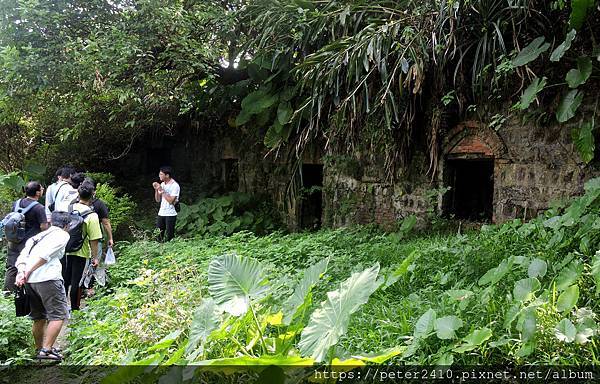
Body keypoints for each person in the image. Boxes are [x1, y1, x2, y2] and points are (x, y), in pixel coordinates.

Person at [14, 211, 71, 361]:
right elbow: (45, 256)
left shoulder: (36, 237)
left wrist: (22, 273)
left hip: (31, 282)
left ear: (51, 222)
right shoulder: (62, 235)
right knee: (58, 315)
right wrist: (27, 272)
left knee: (38, 317)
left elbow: (22, 257)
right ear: (66, 225)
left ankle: (40, 349)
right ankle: (46, 350)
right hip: (48, 279)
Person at [62, 182, 102, 311]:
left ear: (78, 194)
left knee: (64, 279)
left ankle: (61, 307)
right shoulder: (92, 216)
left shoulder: (69, 208)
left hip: (65, 250)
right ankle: (75, 308)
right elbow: (94, 240)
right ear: (92, 196)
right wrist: (95, 257)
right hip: (81, 251)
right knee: (77, 281)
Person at [3, 182, 49, 293]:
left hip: (13, 240)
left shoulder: (17, 203)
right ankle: (26, 293)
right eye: (41, 188)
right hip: (29, 243)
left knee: (12, 267)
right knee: (28, 267)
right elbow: (44, 227)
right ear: (38, 193)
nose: (42, 190)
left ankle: (8, 293)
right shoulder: (39, 208)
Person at [152, 166, 180, 242]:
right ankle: (159, 251)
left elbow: (171, 201)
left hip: (170, 213)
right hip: (161, 213)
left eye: (161, 174)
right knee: (159, 235)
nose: (159, 176)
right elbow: (157, 200)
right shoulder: (162, 184)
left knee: (170, 236)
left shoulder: (175, 185)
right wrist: (156, 189)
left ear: (167, 175)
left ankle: (171, 251)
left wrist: (161, 190)